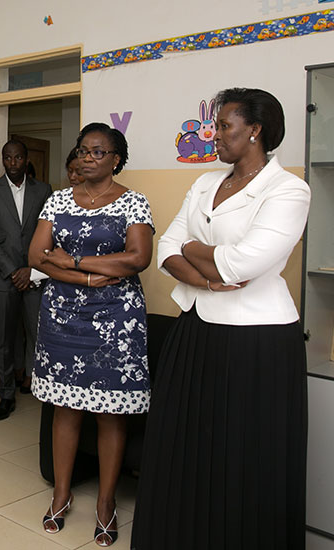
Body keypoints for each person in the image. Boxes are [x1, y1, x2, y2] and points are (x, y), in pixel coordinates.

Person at [131, 88, 309, 550]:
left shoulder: (288, 188)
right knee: (186, 452)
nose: (214, 136)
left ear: (255, 131)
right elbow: (166, 249)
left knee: (242, 458)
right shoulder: (206, 183)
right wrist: (206, 275)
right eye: (214, 125)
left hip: (256, 342)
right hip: (197, 330)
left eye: (225, 125)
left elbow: (244, 264)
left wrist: (196, 250)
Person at [28, 123, 154, 546]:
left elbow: (137, 259)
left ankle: (105, 504)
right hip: (63, 317)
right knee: (65, 409)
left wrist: (74, 260)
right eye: (83, 151)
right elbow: (36, 256)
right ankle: (61, 495)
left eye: (98, 152)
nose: (87, 158)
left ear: (116, 158)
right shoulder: (57, 199)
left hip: (117, 319)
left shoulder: (134, 202)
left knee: (110, 412)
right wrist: (86, 278)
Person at [0, 139, 51, 420]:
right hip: (2, 277)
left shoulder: (43, 190)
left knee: (38, 332)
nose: (12, 163)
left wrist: (31, 269)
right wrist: (12, 270)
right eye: (7, 158)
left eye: (18, 158)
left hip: (35, 275)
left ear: (26, 159)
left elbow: (50, 232)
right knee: (5, 338)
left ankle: (39, 383)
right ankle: (6, 393)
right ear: (3, 159)